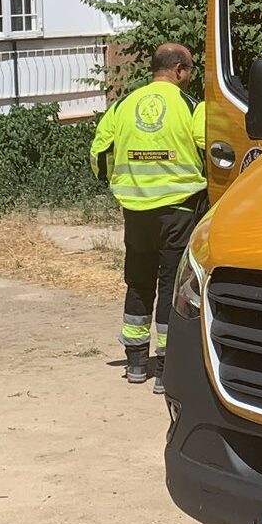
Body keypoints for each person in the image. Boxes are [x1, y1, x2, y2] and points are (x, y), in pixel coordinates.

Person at [91, 43, 207, 390]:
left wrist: (119, 183)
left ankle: (136, 363)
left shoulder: (124, 105)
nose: (191, 76)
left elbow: (99, 152)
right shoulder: (191, 106)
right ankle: (167, 369)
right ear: (179, 70)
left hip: (136, 212)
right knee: (174, 286)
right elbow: (212, 148)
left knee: (138, 283)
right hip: (180, 210)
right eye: (190, 70)